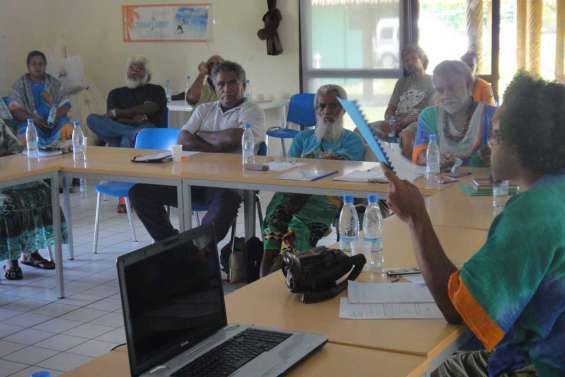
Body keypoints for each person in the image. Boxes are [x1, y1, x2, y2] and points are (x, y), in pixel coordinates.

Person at [385, 73, 565, 376]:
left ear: (524, 143)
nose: (490, 143)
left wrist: (416, 218)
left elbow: (460, 313)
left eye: (496, 133)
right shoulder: (555, 192)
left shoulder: (534, 212)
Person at [129, 61, 265, 244]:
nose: (226, 89)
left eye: (232, 82)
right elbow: (183, 139)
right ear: (215, 87)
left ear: (243, 85)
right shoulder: (204, 109)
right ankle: (173, 245)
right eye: (220, 84)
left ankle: (197, 249)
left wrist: (200, 136)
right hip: (192, 179)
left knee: (225, 204)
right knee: (139, 191)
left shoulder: (252, 110)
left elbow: (237, 137)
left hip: (226, 184)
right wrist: (218, 148)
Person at [260, 85, 364, 276]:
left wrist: (313, 162)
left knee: (295, 228)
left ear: (343, 110)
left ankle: (277, 274)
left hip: (326, 198)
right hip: (294, 192)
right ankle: (267, 274)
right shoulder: (303, 138)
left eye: (333, 106)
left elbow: (335, 168)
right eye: (321, 106)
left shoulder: (352, 140)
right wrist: (318, 138)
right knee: (274, 220)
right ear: (315, 110)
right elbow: (289, 168)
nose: (326, 112)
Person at [0, 119, 67, 280]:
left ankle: (31, 252)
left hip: (10, 175)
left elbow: (15, 147)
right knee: (9, 203)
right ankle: (12, 260)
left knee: (42, 192)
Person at [412, 60, 497, 168]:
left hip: (482, 183)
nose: (446, 95)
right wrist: (435, 159)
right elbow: (419, 157)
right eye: (440, 90)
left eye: (453, 88)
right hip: (439, 184)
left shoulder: (491, 116)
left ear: (470, 87)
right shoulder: (428, 117)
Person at [369, 44, 434, 158]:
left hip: (417, 121)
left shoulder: (432, 81)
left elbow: (430, 112)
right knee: (363, 130)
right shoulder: (402, 82)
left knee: (406, 135)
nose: (409, 63)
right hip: (396, 122)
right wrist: (391, 121)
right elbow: (391, 108)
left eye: (413, 58)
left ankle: (409, 171)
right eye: (406, 60)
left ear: (422, 60)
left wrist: (403, 123)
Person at [87, 56, 167, 148]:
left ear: (147, 73)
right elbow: (111, 118)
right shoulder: (115, 93)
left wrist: (119, 112)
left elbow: (150, 108)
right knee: (92, 119)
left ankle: (131, 135)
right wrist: (133, 120)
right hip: (120, 131)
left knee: (127, 139)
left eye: (139, 69)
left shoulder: (156, 90)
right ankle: (132, 133)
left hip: (146, 131)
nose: (134, 72)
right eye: (131, 68)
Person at [8, 50, 73, 146]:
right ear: (28, 66)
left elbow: (66, 104)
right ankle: (39, 148)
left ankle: (58, 147)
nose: (37, 67)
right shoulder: (19, 85)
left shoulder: (54, 83)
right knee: (25, 134)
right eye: (34, 64)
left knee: (68, 127)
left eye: (40, 64)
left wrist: (55, 116)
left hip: (54, 124)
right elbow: (15, 110)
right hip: (32, 124)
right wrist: (33, 119)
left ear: (45, 66)